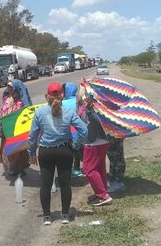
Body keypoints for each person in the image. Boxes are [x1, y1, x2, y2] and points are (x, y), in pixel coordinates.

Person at [28, 82, 88, 226]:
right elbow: (84, 131)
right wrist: (75, 144)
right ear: (62, 96)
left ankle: (47, 217)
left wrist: (31, 152)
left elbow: (33, 136)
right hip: (64, 151)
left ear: (47, 96)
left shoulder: (40, 112)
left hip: (45, 152)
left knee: (45, 184)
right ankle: (65, 215)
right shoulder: (68, 111)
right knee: (65, 184)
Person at [78, 86, 113, 206]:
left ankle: (103, 196)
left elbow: (97, 122)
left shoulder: (95, 106)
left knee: (89, 169)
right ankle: (101, 191)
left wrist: (89, 108)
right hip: (98, 141)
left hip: (95, 142)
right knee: (99, 168)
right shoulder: (88, 105)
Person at [0, 79, 33, 177]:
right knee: (8, 149)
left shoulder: (21, 100)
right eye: (8, 87)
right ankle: (13, 168)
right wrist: (1, 116)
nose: (9, 89)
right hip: (7, 127)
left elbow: (23, 113)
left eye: (11, 87)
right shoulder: (6, 98)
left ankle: (20, 169)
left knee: (19, 150)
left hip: (17, 128)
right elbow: (3, 109)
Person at [62, 82, 84, 177]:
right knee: (77, 151)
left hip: (67, 131)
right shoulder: (78, 101)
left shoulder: (63, 103)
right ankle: (77, 169)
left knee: (68, 151)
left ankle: (68, 169)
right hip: (78, 130)